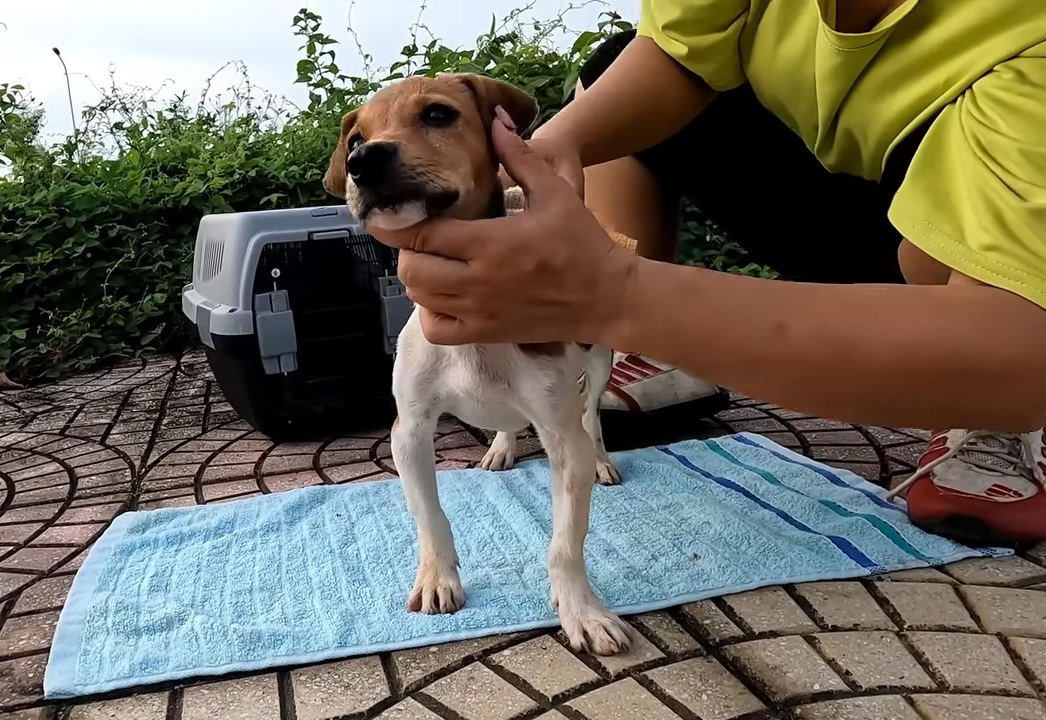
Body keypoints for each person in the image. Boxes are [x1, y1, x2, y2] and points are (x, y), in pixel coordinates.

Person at [365, 0, 1046, 546]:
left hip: (955, 230)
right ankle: (662, 348)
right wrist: (552, 149)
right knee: (609, 74)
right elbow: (678, 56)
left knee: (949, 274)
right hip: (835, 183)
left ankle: (980, 414)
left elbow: (1028, 354)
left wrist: (611, 294)